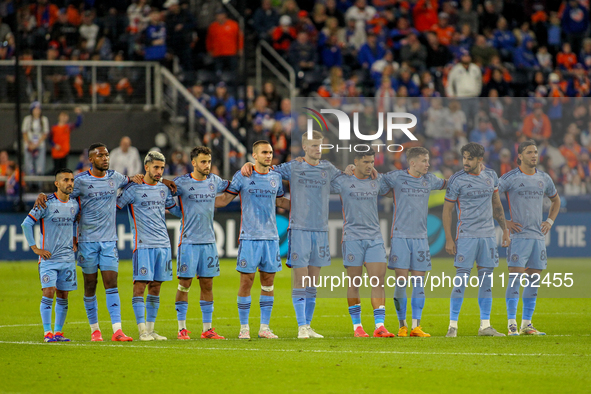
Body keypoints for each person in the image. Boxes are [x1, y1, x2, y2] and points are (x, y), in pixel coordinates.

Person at [34, 143, 175, 341]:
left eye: (107, 155)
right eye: (100, 156)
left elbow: (140, 178)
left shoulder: (115, 178)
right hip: (87, 241)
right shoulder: (81, 180)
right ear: (91, 159)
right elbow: (63, 195)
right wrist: (44, 196)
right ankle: (95, 330)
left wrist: (165, 180)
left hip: (109, 241)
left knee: (112, 283)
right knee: (90, 284)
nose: (105, 158)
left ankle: (117, 330)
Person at [241, 130, 342, 339]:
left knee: (313, 283)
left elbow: (347, 181)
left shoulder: (327, 168)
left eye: (320, 145)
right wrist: (249, 166)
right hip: (299, 229)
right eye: (313, 145)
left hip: (321, 230)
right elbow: (266, 168)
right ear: (304, 147)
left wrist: (353, 170)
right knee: (300, 280)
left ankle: (308, 326)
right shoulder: (293, 166)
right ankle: (301, 326)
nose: (318, 149)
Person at [215, 141, 290, 339]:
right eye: (264, 152)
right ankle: (244, 328)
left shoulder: (276, 177)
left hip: (271, 238)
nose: (269, 155)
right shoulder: (243, 175)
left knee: (268, 282)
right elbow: (224, 199)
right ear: (254, 156)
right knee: (246, 281)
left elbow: (280, 201)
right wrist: (198, 200)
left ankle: (264, 328)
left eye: (271, 152)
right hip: (249, 237)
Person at [443, 142, 510, 337]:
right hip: (466, 236)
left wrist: (505, 229)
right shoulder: (457, 180)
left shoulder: (491, 176)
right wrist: (449, 238)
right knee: (461, 281)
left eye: (469, 158)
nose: (465, 161)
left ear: (480, 160)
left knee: (486, 282)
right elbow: (447, 210)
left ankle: (485, 326)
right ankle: (453, 326)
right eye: (464, 157)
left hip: (488, 236)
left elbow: (496, 204)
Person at [383, 147, 446, 337]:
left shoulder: (430, 179)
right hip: (401, 237)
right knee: (401, 281)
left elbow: (448, 184)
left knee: (419, 282)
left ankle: (416, 327)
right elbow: (375, 180)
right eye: (424, 161)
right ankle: (402, 325)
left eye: (428, 160)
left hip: (420, 238)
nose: (428, 164)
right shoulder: (396, 177)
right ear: (412, 162)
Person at [499, 140, 560, 336]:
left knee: (533, 281)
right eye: (529, 152)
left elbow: (555, 200)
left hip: (537, 237)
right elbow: (491, 197)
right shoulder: (510, 178)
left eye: (535, 152)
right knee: (515, 279)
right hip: (519, 237)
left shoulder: (544, 178)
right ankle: (511, 324)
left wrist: (549, 221)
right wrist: (505, 223)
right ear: (520, 156)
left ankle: (527, 324)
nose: (534, 155)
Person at [332, 149, 395, 338]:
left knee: (378, 281)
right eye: (366, 162)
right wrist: (345, 169)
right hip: (352, 237)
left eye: (372, 162)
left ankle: (380, 326)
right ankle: (357, 327)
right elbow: (321, 181)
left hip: (374, 238)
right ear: (356, 161)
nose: (370, 166)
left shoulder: (377, 180)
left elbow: (393, 190)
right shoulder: (343, 181)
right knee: (354, 282)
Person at [168, 146, 228, 340]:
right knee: (185, 284)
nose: (207, 165)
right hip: (189, 242)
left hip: (209, 242)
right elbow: (165, 195)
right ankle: (181, 328)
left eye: (209, 161)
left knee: (207, 285)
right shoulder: (182, 183)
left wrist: (248, 168)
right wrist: (180, 212)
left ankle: (207, 329)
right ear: (193, 163)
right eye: (203, 162)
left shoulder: (215, 181)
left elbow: (233, 185)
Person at [117, 151, 176, 341]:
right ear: (147, 167)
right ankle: (142, 330)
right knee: (140, 286)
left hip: (163, 244)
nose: (159, 171)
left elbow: (174, 208)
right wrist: (126, 183)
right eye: (156, 167)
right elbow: (116, 205)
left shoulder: (163, 189)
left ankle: (151, 330)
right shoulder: (133, 189)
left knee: (156, 287)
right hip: (143, 245)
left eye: (161, 168)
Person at [22, 169, 79, 342]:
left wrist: (75, 239)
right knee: (48, 291)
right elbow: (26, 224)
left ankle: (58, 332)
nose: (69, 183)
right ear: (57, 183)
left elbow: (76, 222)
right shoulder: (46, 202)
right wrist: (35, 248)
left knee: (63, 295)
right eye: (65, 180)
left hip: (68, 259)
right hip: (49, 259)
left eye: (71, 180)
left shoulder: (75, 204)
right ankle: (47, 333)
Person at [50, 107, 82, 174]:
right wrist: (54, 145)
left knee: (63, 170)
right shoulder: (54, 128)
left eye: (65, 116)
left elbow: (77, 124)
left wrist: (79, 114)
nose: (64, 118)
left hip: (64, 151)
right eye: (63, 116)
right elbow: (49, 139)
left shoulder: (68, 127)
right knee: (56, 170)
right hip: (56, 152)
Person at [22, 101, 49, 175]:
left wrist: (36, 145)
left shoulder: (44, 119)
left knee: (39, 167)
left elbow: (45, 133)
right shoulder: (27, 119)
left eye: (38, 109)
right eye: (35, 109)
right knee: (29, 166)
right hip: (29, 146)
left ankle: (39, 185)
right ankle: (29, 185)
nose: (37, 111)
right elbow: (24, 133)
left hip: (39, 146)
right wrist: (29, 144)